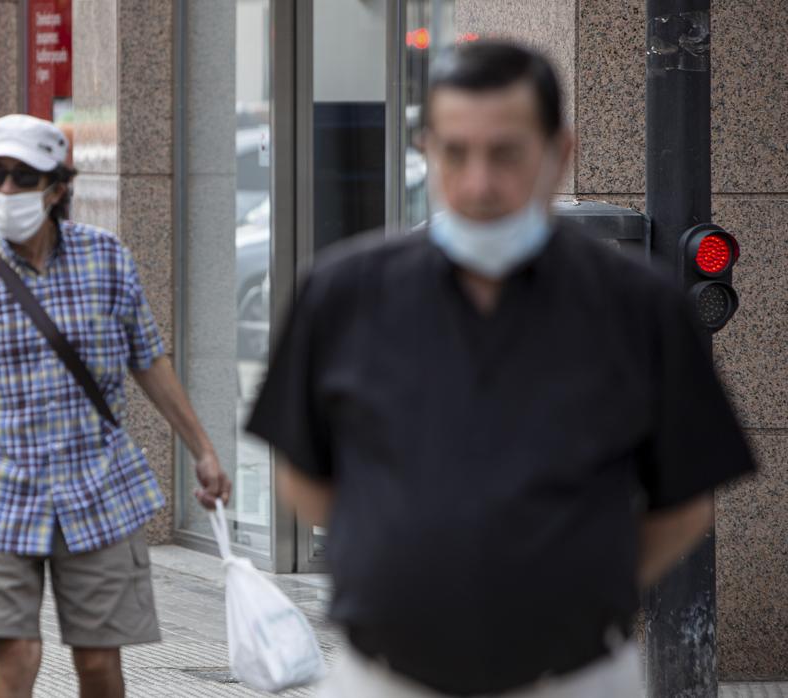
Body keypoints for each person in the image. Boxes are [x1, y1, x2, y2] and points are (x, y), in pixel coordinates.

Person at [246, 41, 756, 698]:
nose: (478, 183)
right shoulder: (341, 296)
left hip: (577, 678)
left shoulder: (638, 306)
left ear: (558, 152)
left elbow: (686, 501)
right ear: (425, 150)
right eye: (455, 153)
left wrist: (584, 583)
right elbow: (302, 477)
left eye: (506, 153)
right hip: (383, 678)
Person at [0, 113, 232, 698]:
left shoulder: (107, 260)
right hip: (3, 491)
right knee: (17, 656)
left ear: (57, 187)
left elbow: (150, 361)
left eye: (22, 177)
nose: (6, 191)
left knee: (100, 663)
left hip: (100, 488)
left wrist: (203, 451)